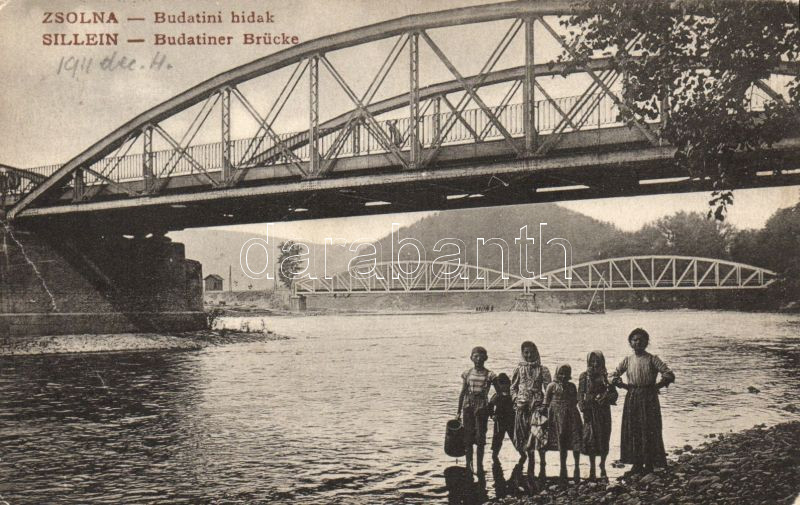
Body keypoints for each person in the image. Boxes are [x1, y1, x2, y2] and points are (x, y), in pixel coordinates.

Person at [611, 328, 675, 476]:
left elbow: (669, 374)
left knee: (649, 428)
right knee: (633, 429)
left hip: (649, 397)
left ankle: (650, 463)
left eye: (641, 340)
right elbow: (613, 374)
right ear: (630, 343)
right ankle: (637, 463)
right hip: (632, 396)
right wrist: (620, 384)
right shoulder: (628, 360)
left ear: (646, 342)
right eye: (634, 340)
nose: (638, 342)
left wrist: (657, 386)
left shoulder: (652, 359)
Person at [510, 341, 551, 486]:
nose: (528, 355)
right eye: (526, 352)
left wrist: (544, 405)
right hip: (522, 407)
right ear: (522, 353)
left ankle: (543, 463)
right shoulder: (518, 369)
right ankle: (530, 462)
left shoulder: (542, 370)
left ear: (536, 352)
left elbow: (548, 389)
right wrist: (516, 399)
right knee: (524, 435)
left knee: (538, 434)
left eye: (531, 352)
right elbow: (513, 387)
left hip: (537, 407)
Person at [457, 346, 497, 477]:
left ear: (486, 358)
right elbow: (462, 392)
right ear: (471, 358)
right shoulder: (467, 373)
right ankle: (469, 465)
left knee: (480, 438)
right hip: (468, 406)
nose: (478, 359)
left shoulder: (490, 375)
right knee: (468, 438)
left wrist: (491, 408)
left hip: (482, 408)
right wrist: (458, 412)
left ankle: (480, 466)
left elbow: (498, 393)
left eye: (481, 356)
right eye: (475, 356)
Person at [578, 351, 618, 480]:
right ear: (588, 362)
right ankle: (592, 466)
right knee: (591, 438)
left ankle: (602, 464)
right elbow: (580, 394)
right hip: (590, 411)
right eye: (592, 361)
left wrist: (605, 398)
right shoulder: (584, 376)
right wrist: (583, 408)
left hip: (603, 412)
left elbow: (614, 394)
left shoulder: (606, 377)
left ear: (602, 363)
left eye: (598, 362)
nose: (595, 364)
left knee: (604, 437)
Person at [543, 364, 583, 485]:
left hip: (571, 415)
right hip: (556, 416)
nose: (563, 376)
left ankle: (577, 466)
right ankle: (563, 466)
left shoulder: (572, 386)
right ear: (557, 373)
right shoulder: (551, 386)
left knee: (575, 438)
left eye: (566, 373)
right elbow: (546, 402)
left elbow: (575, 400)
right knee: (561, 439)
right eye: (561, 373)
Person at [487, 373, 515, 464]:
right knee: (497, 440)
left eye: (505, 384)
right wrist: (492, 416)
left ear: (509, 384)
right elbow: (490, 407)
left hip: (511, 421)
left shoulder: (513, 395)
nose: (503, 387)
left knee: (515, 439)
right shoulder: (497, 396)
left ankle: (523, 455)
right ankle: (494, 457)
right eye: (501, 385)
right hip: (500, 421)